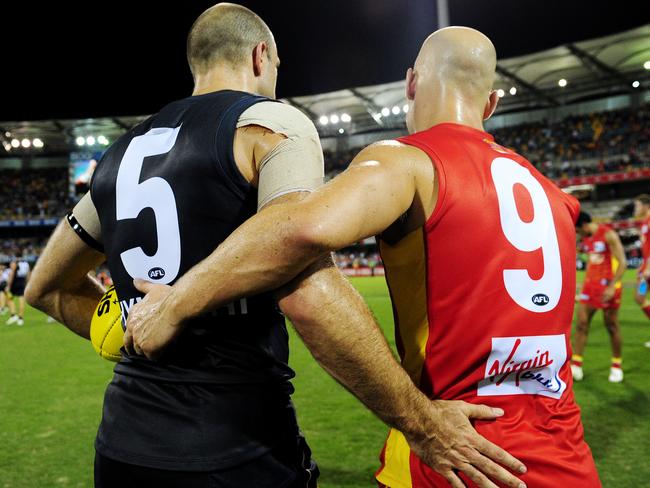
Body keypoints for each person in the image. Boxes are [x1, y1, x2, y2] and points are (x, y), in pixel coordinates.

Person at [25, 5, 524, 488]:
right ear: (261, 56)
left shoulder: (119, 153)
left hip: (120, 445)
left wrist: (125, 329)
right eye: (278, 66)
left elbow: (44, 288)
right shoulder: (269, 123)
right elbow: (305, 272)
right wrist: (423, 423)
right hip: (234, 443)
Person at [125, 26, 601, 487]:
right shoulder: (555, 196)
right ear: (492, 104)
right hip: (565, 455)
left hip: (460, 453)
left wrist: (175, 302)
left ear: (410, 82)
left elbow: (299, 229)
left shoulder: (405, 161)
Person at [572, 211, 627, 383]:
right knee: (581, 324)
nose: (578, 234)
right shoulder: (586, 239)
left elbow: (623, 263)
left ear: (584, 225)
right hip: (590, 288)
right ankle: (576, 364)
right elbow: (592, 262)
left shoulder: (608, 234)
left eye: (577, 230)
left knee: (611, 326)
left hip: (608, 289)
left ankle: (616, 365)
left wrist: (612, 286)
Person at [632, 195, 650, 344]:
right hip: (646, 267)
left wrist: (648, 267)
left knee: (640, 296)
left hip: (648, 269)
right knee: (640, 297)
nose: (636, 209)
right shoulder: (644, 223)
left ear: (645, 205)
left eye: (637, 205)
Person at [6, 250, 30, 326]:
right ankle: (20, 318)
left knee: (9, 298)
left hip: (15, 282)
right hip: (22, 281)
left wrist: (9, 285)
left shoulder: (14, 262)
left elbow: (12, 274)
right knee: (21, 300)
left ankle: (13, 315)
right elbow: (28, 275)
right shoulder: (26, 263)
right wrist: (27, 284)